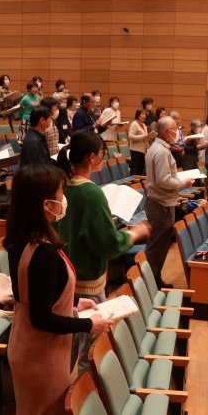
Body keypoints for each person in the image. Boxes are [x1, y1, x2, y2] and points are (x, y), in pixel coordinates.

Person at [3, 164, 115, 415]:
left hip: (32, 346)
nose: (63, 200)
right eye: (60, 194)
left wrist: (76, 303)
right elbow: (42, 317)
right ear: (45, 204)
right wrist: (87, 323)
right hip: (40, 353)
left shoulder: (24, 239)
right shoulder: (43, 252)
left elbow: (40, 300)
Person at [57, 130, 152, 373]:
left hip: (66, 276)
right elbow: (108, 244)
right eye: (101, 154)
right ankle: (82, 402)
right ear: (91, 157)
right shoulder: (91, 193)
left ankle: (69, 397)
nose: (103, 157)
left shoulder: (62, 184)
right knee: (90, 351)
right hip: (87, 281)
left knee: (69, 349)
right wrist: (135, 234)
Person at [144, 116, 196, 288]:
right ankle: (150, 285)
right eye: (176, 127)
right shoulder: (160, 151)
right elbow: (163, 180)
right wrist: (184, 183)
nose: (178, 130)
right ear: (167, 132)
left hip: (162, 202)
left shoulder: (160, 148)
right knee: (156, 247)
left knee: (160, 245)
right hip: (160, 204)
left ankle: (155, 280)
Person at [128, 108, 150, 175]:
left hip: (143, 150)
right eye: (142, 114)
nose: (144, 116)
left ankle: (138, 185)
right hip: (135, 150)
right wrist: (143, 136)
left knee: (141, 170)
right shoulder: (134, 124)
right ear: (138, 115)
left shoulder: (144, 125)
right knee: (135, 170)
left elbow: (145, 137)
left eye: (145, 114)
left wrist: (149, 137)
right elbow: (130, 136)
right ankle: (132, 185)